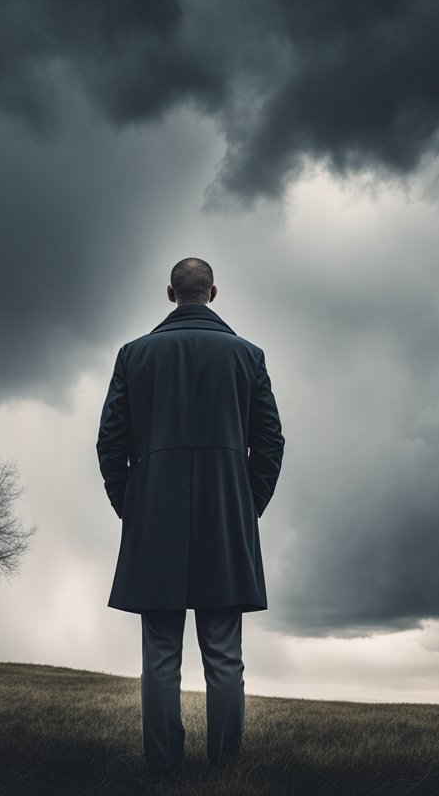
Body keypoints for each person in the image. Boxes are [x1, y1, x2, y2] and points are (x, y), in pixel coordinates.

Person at [96, 257, 284, 777]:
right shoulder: (248, 356)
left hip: (155, 517)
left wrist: (132, 506)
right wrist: (248, 506)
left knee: (159, 654)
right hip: (226, 517)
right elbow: (270, 444)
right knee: (224, 653)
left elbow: (110, 443)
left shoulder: (134, 355)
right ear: (213, 292)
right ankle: (225, 770)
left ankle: (162, 769)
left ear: (171, 293)